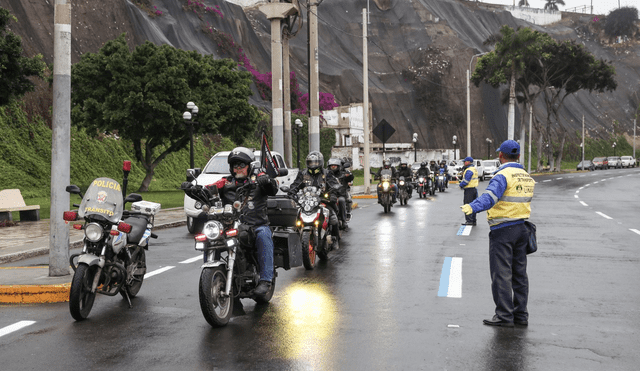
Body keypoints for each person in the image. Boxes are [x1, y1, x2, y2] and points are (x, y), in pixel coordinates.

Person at [460, 140, 535, 327]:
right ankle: (521, 315)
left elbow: (490, 197)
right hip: (522, 229)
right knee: (519, 275)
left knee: (501, 274)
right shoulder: (525, 176)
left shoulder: (503, 175)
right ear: (518, 156)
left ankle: (504, 315)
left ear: (501, 156)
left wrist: (472, 207)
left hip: (503, 231)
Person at [207, 147, 278, 299]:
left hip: (256, 225)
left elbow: (273, 188)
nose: (238, 168)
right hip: (231, 225)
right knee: (210, 238)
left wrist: (267, 181)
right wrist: (194, 189)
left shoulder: (258, 179)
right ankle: (211, 276)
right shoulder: (226, 182)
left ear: (249, 166)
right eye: (235, 166)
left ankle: (266, 280)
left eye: (241, 165)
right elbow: (210, 189)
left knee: (264, 235)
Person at [288, 151, 342, 248]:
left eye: (315, 163)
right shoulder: (303, 173)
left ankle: (335, 238)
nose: (313, 165)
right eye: (310, 162)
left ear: (320, 163)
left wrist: (333, 194)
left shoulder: (327, 173)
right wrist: (291, 192)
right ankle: (295, 238)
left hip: (322, 200)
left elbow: (333, 184)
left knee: (333, 217)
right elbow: (295, 185)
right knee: (294, 217)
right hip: (307, 202)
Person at [328, 157, 353, 228]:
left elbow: (350, 178)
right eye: (331, 165)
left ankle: (344, 220)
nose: (333, 167)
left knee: (341, 200)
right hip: (329, 194)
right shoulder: (327, 173)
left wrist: (349, 176)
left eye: (335, 165)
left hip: (340, 194)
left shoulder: (343, 173)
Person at [459, 156, 478, 226]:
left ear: (468, 162)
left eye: (465, 161)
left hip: (469, 190)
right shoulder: (474, 169)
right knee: (473, 205)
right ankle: (473, 220)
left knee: (467, 205)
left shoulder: (469, 170)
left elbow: (466, 180)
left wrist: (461, 185)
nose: (464, 163)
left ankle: (469, 221)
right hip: (474, 189)